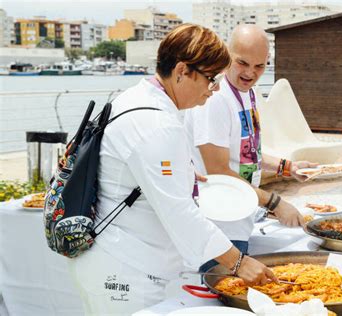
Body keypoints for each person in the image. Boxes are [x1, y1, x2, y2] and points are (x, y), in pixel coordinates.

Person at [68, 24, 276, 316]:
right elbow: (178, 212)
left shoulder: (139, 99)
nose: (214, 89)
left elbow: (141, 174)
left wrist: (184, 175)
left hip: (128, 259)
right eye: (210, 79)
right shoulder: (155, 125)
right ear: (182, 71)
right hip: (124, 268)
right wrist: (238, 262)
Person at [184, 25, 318, 272]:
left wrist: (287, 167)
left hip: (241, 221)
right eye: (242, 63)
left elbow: (247, 151)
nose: (250, 73)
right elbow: (218, 170)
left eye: (259, 66)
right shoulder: (214, 100)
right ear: (227, 55)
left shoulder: (249, 92)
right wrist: (275, 203)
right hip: (217, 227)